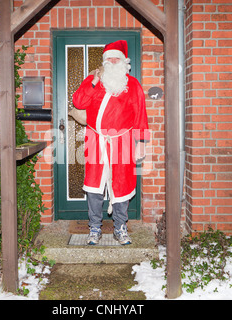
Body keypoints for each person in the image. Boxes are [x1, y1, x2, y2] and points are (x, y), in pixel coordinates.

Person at [72, 40, 150, 245]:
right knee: (94, 186)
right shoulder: (93, 80)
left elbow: (141, 114)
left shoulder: (133, 84)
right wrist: (93, 83)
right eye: (109, 58)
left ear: (124, 62)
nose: (112, 61)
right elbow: (78, 102)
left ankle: (120, 227)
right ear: (104, 62)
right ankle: (95, 228)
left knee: (122, 185)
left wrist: (141, 142)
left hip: (122, 140)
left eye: (116, 58)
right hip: (96, 139)